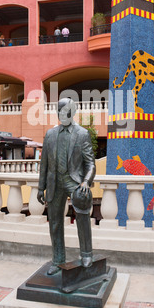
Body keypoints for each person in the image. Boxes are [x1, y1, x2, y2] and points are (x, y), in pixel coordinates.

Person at [37, 98, 96, 276]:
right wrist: (41, 187)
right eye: (60, 111)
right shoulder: (50, 135)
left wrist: (86, 182)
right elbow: (44, 163)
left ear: (72, 113)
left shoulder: (82, 134)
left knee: (82, 212)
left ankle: (86, 254)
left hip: (73, 180)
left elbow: (91, 164)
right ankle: (58, 259)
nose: (62, 115)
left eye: (66, 112)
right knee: (54, 222)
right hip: (55, 182)